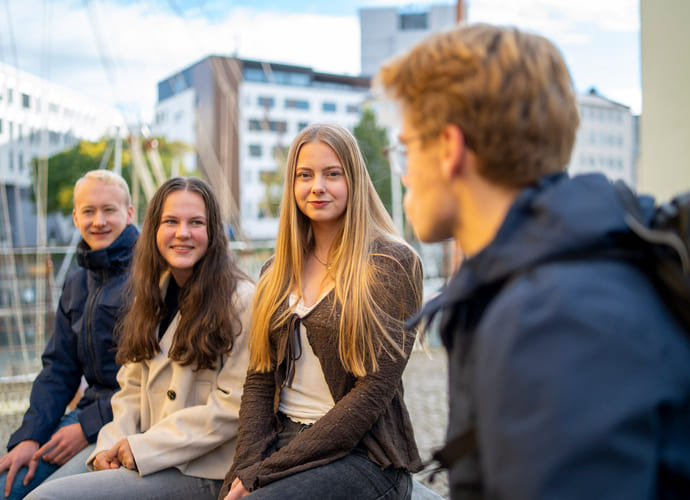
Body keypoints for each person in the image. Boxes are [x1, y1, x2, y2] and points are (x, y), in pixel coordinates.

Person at [374, 22, 690, 500]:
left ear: (449, 148)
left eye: (406, 147)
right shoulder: (553, 276)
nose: (403, 173)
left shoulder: (552, 317)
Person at [219, 123, 423, 500]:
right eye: (305, 175)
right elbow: (260, 379)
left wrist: (265, 472)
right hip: (281, 441)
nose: (317, 187)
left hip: (364, 456)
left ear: (354, 181)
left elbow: (373, 392)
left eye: (333, 174)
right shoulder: (275, 272)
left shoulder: (391, 264)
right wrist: (246, 467)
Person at [26, 177, 254, 500]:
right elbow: (130, 388)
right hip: (144, 455)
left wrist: (142, 447)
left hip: (202, 468)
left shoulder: (241, 300)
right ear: (154, 230)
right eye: (170, 221)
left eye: (196, 223)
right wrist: (109, 446)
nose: (182, 233)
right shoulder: (151, 293)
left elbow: (233, 407)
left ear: (213, 231)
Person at [0, 170, 138, 499]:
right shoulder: (77, 281)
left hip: (128, 419)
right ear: (76, 217)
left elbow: (153, 381)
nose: (99, 221)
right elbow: (58, 369)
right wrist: (30, 436)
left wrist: (87, 426)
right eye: (88, 211)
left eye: (109, 210)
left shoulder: (150, 276)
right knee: (8, 483)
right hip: (88, 414)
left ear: (129, 213)